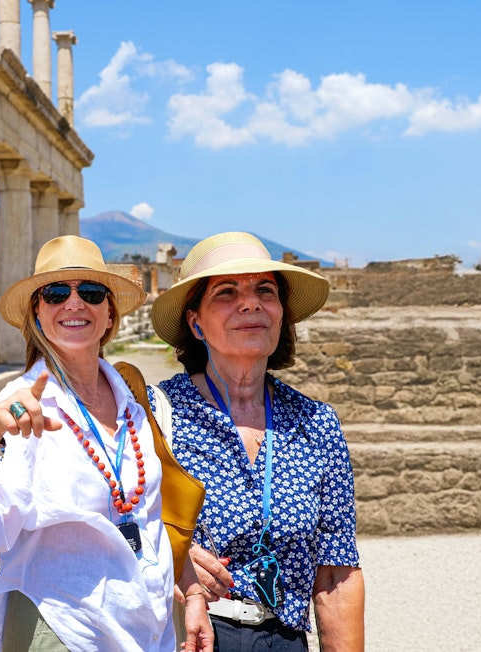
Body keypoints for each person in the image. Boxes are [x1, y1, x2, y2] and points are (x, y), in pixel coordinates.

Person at [0, 236, 214, 652]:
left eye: (93, 293)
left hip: (143, 626)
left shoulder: (133, 403)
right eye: (57, 293)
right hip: (62, 629)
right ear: (37, 313)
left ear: (109, 313)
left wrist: (191, 592)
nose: (75, 304)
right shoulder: (18, 406)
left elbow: (149, 519)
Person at [149, 232, 365, 652]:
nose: (250, 303)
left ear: (281, 313)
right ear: (195, 322)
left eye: (264, 290)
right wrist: (169, 555)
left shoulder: (317, 424)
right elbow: (107, 523)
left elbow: (336, 573)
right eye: (226, 293)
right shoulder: (155, 414)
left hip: (284, 639)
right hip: (188, 634)